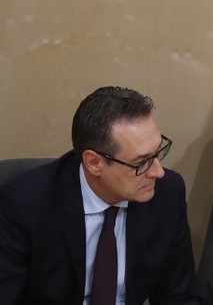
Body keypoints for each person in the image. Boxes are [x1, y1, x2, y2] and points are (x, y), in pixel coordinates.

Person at [0, 86, 202, 304]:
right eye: (141, 162)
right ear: (94, 162)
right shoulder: (25, 206)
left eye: (158, 153)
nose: (158, 172)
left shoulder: (167, 193)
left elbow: (180, 296)